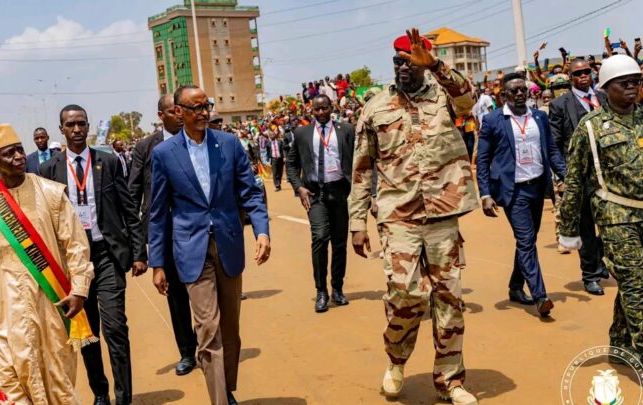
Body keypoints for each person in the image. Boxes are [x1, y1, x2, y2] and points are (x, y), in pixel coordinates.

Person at [349, 29, 479, 405]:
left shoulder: (445, 97)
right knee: (405, 294)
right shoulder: (375, 106)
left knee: (449, 300)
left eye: (410, 62)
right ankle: (396, 359)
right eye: (398, 62)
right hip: (399, 216)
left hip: (443, 214)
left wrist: (436, 65)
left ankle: (450, 381)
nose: (403, 68)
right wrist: (358, 223)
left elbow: (468, 99)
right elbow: (361, 169)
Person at [149, 85, 270, 405]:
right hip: (191, 251)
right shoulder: (164, 154)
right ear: (179, 113)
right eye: (197, 108)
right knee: (207, 328)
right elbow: (158, 212)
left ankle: (226, 388)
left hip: (228, 245)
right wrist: (157, 263)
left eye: (207, 106)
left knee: (230, 328)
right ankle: (220, 400)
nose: (205, 113)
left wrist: (262, 232)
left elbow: (251, 193)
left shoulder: (228, 145)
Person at [0, 123, 95, 403]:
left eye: (20, 150)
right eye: (9, 154)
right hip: (4, 311)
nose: (19, 157)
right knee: (13, 381)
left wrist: (80, 289)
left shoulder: (51, 193)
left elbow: (76, 246)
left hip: (53, 304)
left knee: (59, 380)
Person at [559, 55, 643, 386]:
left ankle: (619, 340)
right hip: (615, 215)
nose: (633, 87)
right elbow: (575, 181)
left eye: (637, 81)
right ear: (606, 88)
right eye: (625, 83)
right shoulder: (590, 127)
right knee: (633, 281)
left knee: (641, 279)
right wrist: (568, 230)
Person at [40, 104, 144, 405]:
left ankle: (124, 397)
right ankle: (100, 393)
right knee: (87, 333)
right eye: (70, 125)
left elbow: (128, 207)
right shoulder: (50, 170)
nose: (76, 129)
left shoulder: (108, 162)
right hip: (74, 263)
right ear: (61, 129)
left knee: (115, 328)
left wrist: (139, 252)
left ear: (87, 127)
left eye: (81, 124)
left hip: (107, 254)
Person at [477, 72, 566, 318]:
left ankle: (516, 286)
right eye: (513, 91)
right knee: (526, 240)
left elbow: (552, 151)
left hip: (537, 186)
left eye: (522, 89)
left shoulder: (539, 117)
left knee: (528, 239)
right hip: (512, 190)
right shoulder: (493, 120)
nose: (519, 94)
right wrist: (485, 193)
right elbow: (483, 161)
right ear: (503, 95)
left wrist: (566, 176)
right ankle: (541, 297)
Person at [128, 94, 198, 376]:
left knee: (203, 291)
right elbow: (133, 192)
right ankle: (187, 352)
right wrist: (138, 247)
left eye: (182, 110)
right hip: (163, 231)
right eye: (173, 111)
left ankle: (208, 346)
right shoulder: (146, 147)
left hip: (195, 228)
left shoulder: (198, 138)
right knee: (177, 295)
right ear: (161, 115)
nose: (180, 115)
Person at [286, 94, 354, 313]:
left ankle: (338, 289)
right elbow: (291, 163)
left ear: (331, 108)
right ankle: (321, 292)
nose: (321, 112)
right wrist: (299, 187)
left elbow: (357, 160)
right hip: (315, 193)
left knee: (340, 243)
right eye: (317, 109)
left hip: (339, 192)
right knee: (320, 237)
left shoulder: (346, 130)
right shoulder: (301, 133)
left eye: (325, 108)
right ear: (311, 111)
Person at [549, 59, 609, 295]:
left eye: (587, 72)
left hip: (609, 173)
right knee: (585, 226)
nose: (583, 76)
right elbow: (555, 143)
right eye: (578, 73)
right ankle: (590, 275)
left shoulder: (604, 97)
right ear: (570, 77)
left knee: (609, 221)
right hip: (579, 174)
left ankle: (599, 257)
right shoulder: (560, 104)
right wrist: (565, 174)